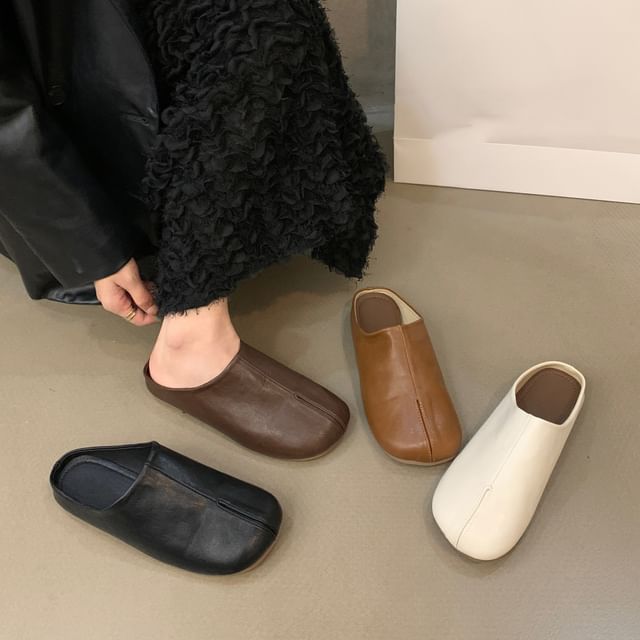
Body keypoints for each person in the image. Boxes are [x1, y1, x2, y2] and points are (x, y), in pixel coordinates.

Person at [0, 0, 387, 450]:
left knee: (268, 19)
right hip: (57, 89)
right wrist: (92, 246)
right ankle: (189, 338)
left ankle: (199, 295)